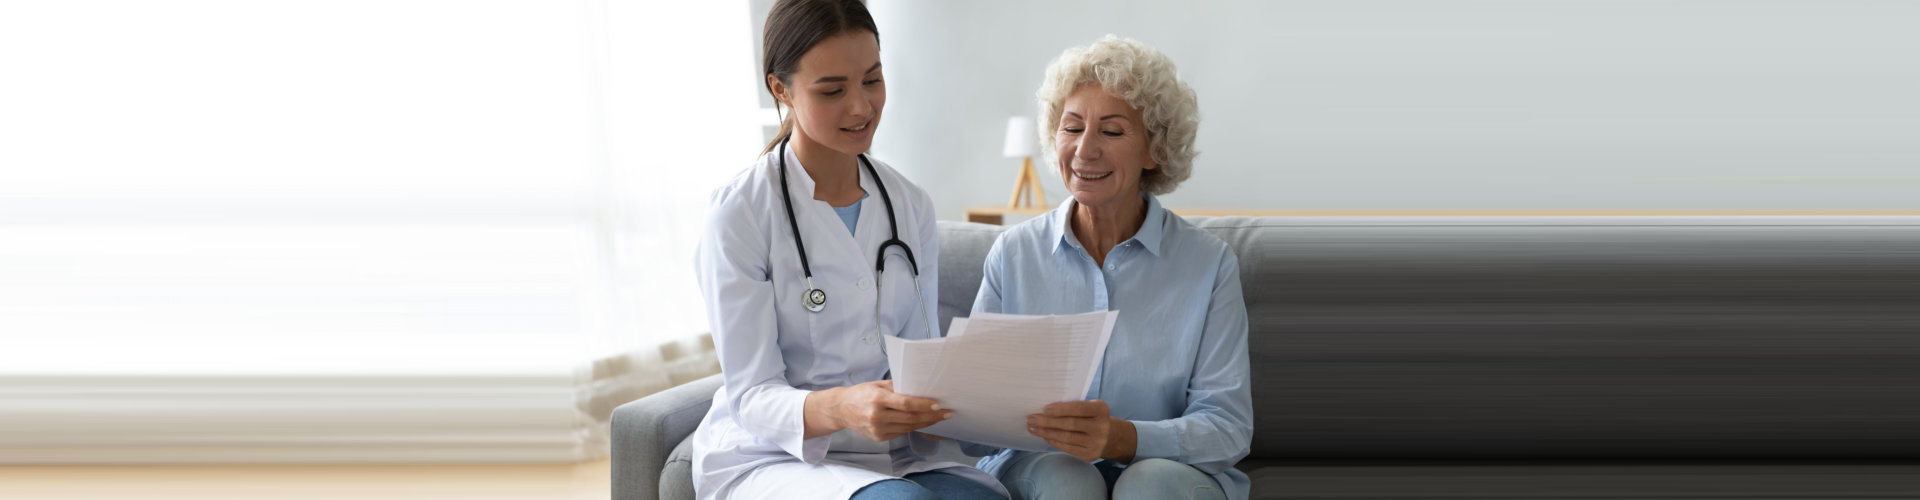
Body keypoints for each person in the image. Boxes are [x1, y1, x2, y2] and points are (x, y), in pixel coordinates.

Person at [687, 1, 1004, 499]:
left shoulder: (908, 205)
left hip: (886, 452)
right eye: (832, 90)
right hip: (769, 454)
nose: (860, 107)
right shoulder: (741, 213)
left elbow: (920, 361)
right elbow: (751, 396)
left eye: (872, 81)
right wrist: (842, 407)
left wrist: (954, 408)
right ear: (781, 89)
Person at [965, 35, 1253, 500]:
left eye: (1112, 132)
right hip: (1041, 469)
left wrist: (1126, 439)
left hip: (1168, 472)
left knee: (1149, 483)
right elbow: (973, 419)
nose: (1084, 151)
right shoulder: (1014, 254)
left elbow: (1228, 427)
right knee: (1065, 478)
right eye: (1072, 127)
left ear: (1153, 149)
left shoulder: (1209, 264)